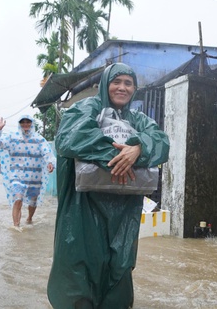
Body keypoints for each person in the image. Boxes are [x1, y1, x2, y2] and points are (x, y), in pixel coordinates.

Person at [47, 63, 170, 308]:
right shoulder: (85, 108)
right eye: (117, 81)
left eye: (128, 83)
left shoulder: (138, 119)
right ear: (105, 84)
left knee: (119, 266)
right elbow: (73, 137)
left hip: (124, 212)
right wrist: (120, 157)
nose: (122, 88)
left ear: (134, 89)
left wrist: (139, 148)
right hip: (83, 209)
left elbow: (161, 142)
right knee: (80, 265)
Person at [0, 115, 56, 232]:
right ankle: (16, 226)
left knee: (33, 201)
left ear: (32, 124)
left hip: (34, 176)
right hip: (17, 175)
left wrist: (50, 163)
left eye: (28, 122)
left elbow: (47, 153)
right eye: (23, 122)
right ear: (19, 124)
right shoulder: (12, 137)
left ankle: (30, 218)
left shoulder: (39, 139)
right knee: (18, 198)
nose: (25, 124)